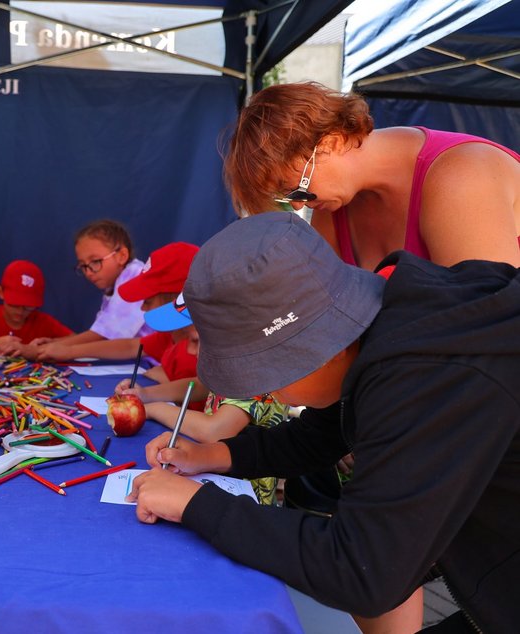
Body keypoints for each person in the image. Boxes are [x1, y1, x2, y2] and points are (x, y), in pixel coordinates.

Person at [127, 212, 520, 633]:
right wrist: (216, 455)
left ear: (317, 348)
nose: (268, 393)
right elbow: (323, 433)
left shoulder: (431, 377)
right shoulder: (382, 327)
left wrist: (194, 504)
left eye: (265, 377)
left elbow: (361, 572)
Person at [223, 82, 520, 270]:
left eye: (298, 190)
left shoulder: (460, 177)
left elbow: (487, 327)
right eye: (288, 198)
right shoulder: (334, 206)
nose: (299, 205)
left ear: (332, 142)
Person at [119, 299, 288, 505]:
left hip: (244, 504)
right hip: (211, 477)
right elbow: (200, 385)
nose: (196, 352)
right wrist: (145, 394)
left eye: (198, 341)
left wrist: (153, 408)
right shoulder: (228, 365)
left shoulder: (253, 376)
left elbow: (216, 430)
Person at [37, 242, 199, 384]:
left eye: (147, 301)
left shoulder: (193, 354)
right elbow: (131, 345)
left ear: (176, 301)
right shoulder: (170, 335)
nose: (142, 308)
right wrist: (69, 352)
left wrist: (165, 379)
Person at [36, 219, 151, 348]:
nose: (89, 272)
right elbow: (100, 336)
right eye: (83, 266)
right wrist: (54, 343)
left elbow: (104, 335)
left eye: (95, 261)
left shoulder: (135, 277)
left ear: (122, 256)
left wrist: (52, 348)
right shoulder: (113, 287)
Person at [0, 260, 72, 359]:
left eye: (28, 307)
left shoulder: (43, 321)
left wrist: (50, 344)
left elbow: (76, 339)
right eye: (14, 305)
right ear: (0, 292)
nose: (20, 312)